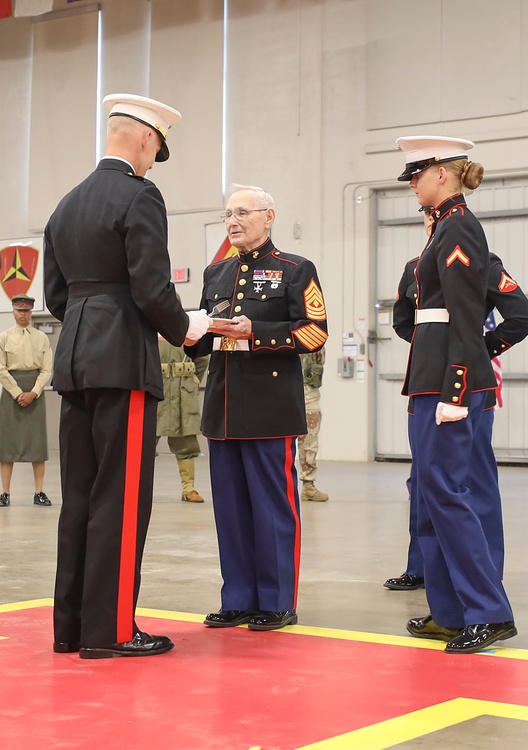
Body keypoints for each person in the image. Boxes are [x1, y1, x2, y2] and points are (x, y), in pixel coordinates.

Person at [44, 93, 210, 659]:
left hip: (75, 361)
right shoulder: (140, 195)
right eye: (156, 147)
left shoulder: (65, 205)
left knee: (81, 497)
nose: (153, 157)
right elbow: (150, 287)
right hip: (123, 360)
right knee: (120, 496)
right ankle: (111, 630)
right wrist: (189, 329)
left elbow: (56, 296)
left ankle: (71, 628)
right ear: (145, 138)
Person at [395, 135, 518, 654]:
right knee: (430, 500)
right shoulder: (441, 229)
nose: (412, 184)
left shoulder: (460, 225)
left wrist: (458, 386)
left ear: (441, 173)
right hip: (427, 379)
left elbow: (467, 316)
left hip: (448, 384)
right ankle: (449, 612)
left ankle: (488, 613)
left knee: (449, 495)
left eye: (417, 174)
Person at [187, 184, 328, 632]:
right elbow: (206, 339)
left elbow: (315, 333)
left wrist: (259, 333)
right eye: (228, 212)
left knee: (272, 508)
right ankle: (239, 598)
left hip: (270, 405)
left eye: (243, 212)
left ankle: (276, 600)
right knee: (230, 510)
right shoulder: (216, 274)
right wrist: (191, 335)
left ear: (268, 216)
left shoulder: (295, 270)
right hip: (224, 405)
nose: (233, 220)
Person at [385, 205, 528, 592]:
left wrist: (479, 350)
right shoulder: (413, 268)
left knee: (473, 484)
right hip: (425, 383)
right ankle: (422, 569)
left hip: (466, 387)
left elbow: (522, 317)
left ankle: (487, 575)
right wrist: (433, 351)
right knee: (424, 481)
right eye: (423, 212)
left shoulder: (483, 261)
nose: (429, 217)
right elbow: (404, 321)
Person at [0, 294, 53, 507]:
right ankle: (5, 492)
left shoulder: (41, 338)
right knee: (7, 446)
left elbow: (47, 369)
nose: (23, 314)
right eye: (19, 310)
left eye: (27, 310)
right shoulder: (4, 337)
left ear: (31, 312)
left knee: (37, 445)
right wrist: (16, 392)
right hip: (11, 392)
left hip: (35, 393)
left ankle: (39, 492)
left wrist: (34, 392)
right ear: (13, 312)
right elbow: (1, 369)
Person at [156, 338, 209, 503]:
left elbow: (201, 358)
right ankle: (137, 489)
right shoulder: (147, 325)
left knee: (186, 442)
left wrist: (191, 379)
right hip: (156, 390)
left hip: (182, 392)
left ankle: (188, 488)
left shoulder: (185, 329)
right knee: (143, 443)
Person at [298, 348, 329, 502]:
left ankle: (308, 485)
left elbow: (320, 360)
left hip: (308, 391)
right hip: (283, 390)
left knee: (310, 439)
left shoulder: (313, 333)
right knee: (279, 440)